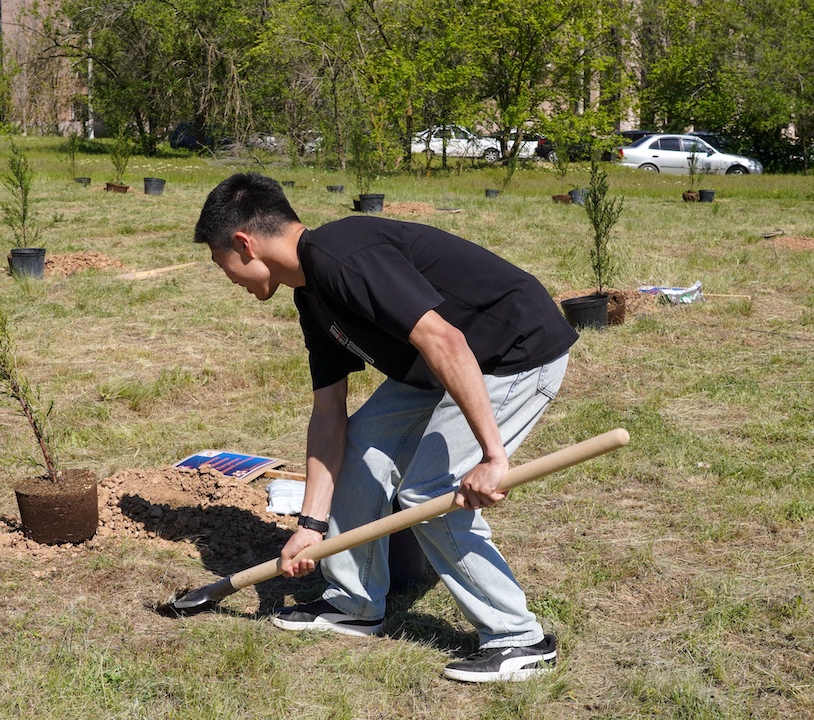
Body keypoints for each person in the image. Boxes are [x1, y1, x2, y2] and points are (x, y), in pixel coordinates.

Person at [193, 173, 578, 683]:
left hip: (512, 351)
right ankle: (354, 603)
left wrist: (492, 456)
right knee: (362, 446)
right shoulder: (310, 294)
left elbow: (445, 340)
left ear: (244, 244)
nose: (231, 281)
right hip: (440, 365)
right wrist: (309, 527)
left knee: (429, 492)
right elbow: (329, 415)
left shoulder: (344, 256)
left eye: (224, 267)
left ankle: (519, 638)